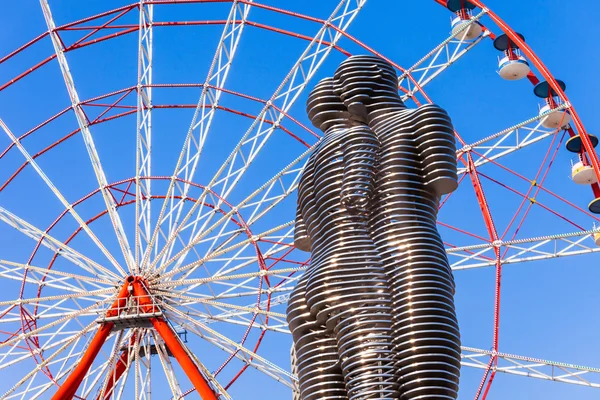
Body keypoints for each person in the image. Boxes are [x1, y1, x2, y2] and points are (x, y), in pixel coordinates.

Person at [333, 55, 462, 400]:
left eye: (346, 81)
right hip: (371, 264)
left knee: (420, 379)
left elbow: (442, 180)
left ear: (376, 75)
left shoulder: (425, 116)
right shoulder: (348, 145)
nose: (342, 93)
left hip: (407, 253)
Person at [287, 77, 398, 400]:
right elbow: (357, 197)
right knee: (372, 385)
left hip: (308, 286)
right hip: (352, 273)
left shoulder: (308, 167)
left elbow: (302, 236)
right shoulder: (359, 137)